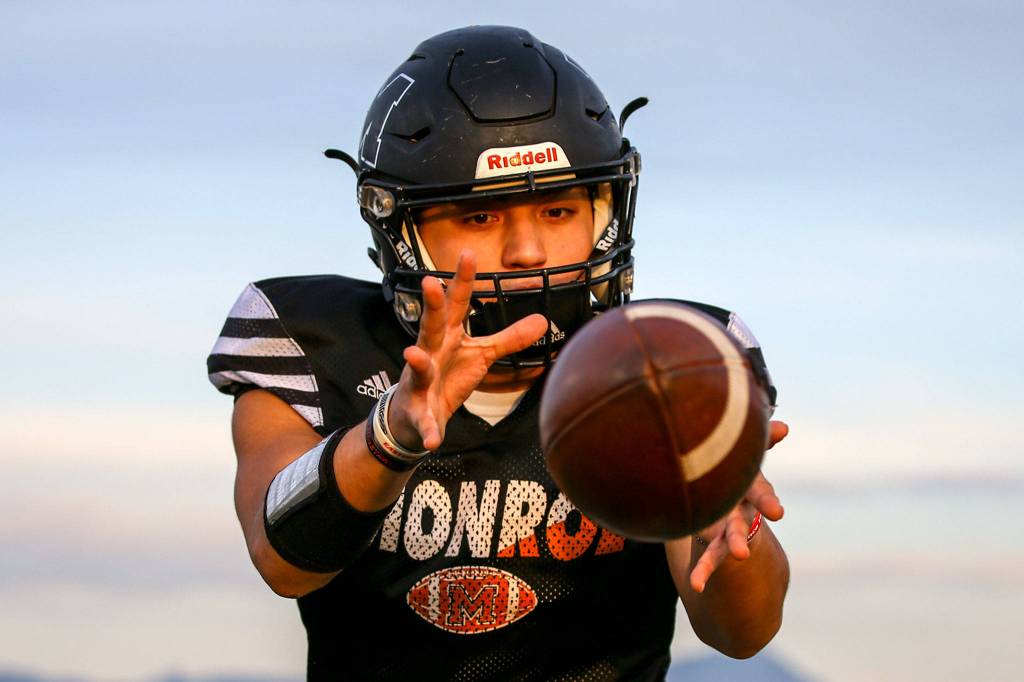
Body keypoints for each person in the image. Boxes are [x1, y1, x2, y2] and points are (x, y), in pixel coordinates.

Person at [207, 25, 790, 680]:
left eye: (558, 211)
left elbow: (742, 633)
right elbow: (282, 560)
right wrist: (389, 435)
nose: (527, 252)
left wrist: (721, 517)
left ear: (606, 211)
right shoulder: (317, 342)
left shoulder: (670, 362)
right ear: (401, 231)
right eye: (480, 217)